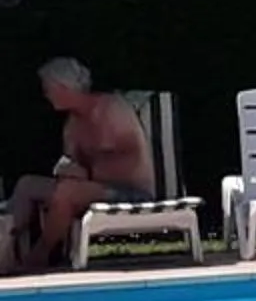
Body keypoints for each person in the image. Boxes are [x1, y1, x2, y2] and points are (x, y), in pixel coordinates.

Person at [4, 57, 156, 275]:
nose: (46, 95)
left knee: (68, 192)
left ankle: (38, 256)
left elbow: (129, 157)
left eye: (48, 89)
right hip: (91, 188)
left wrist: (86, 172)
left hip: (129, 192)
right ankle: (5, 239)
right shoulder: (72, 124)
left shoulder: (112, 109)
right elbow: (70, 162)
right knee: (27, 185)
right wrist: (69, 170)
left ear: (64, 87)